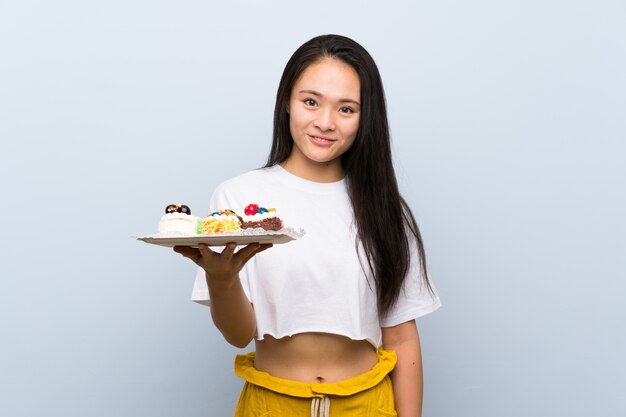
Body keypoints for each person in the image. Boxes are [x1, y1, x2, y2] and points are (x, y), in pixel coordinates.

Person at [174, 34, 441, 417]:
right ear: (287, 101)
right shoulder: (236, 200)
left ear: (367, 117)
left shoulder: (386, 210)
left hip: (367, 405)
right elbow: (237, 336)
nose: (325, 123)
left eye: (346, 109)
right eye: (310, 102)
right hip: (272, 404)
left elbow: (401, 337)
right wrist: (220, 279)